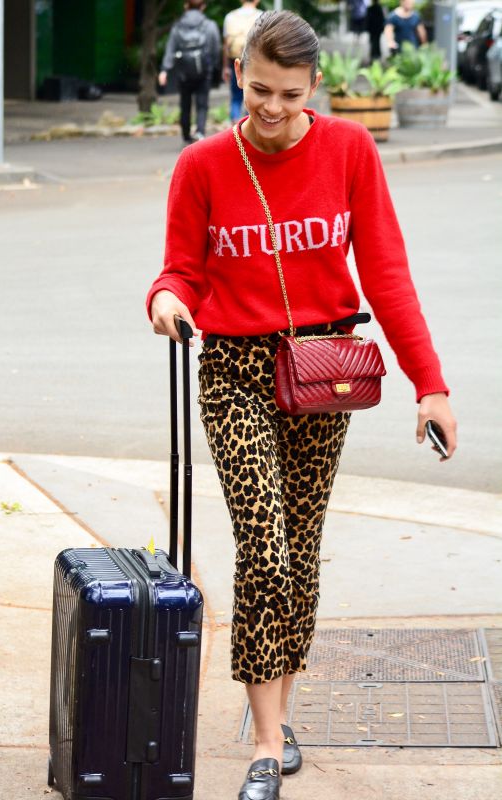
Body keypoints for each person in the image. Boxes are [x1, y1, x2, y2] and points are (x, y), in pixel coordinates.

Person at [147, 10, 457, 800]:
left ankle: (280, 711)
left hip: (324, 370)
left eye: (287, 93)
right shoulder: (203, 164)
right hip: (236, 369)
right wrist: (165, 300)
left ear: (314, 85)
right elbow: (179, 268)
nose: (271, 109)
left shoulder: (349, 151)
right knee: (265, 546)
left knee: (301, 551)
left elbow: (385, 274)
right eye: (257, 90)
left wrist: (430, 385)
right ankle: (261, 741)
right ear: (236, 76)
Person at [158, 0, 221, 144]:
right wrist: (213, 67)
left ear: (186, 6)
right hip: (204, 72)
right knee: (202, 104)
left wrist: (164, 70)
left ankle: (186, 136)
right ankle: (199, 133)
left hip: (183, 72)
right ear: (203, 7)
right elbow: (215, 48)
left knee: (184, 104)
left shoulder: (178, 26)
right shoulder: (209, 25)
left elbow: (170, 49)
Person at [223, 0, 262, 122]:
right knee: (252, 93)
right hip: (256, 61)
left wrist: (225, 67)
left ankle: (234, 125)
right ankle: (248, 123)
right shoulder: (262, 16)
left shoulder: (230, 16)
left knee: (236, 96)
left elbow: (226, 45)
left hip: (235, 60)